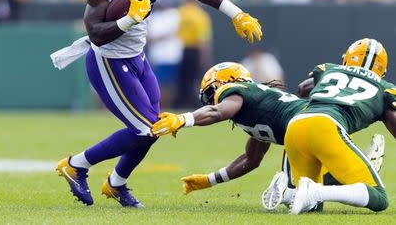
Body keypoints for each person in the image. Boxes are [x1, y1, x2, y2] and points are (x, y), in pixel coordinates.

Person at [55, 0, 262, 208]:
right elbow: (97, 33)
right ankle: (76, 164)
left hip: (137, 56)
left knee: (156, 126)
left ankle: (116, 183)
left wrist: (235, 12)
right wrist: (128, 20)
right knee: (146, 127)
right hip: (108, 59)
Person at [151, 61, 385, 210]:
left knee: (313, 198)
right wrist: (209, 180)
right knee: (310, 204)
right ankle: (291, 190)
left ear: (228, 82)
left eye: (213, 91)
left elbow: (218, 111)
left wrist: (184, 119)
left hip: (307, 128)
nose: (213, 98)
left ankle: (293, 190)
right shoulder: (259, 109)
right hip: (306, 133)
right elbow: (250, 160)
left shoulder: (237, 93)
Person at [282, 38, 396, 214]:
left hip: (296, 126)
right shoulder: (384, 88)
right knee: (379, 198)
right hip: (326, 126)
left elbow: (303, 89)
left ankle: (289, 189)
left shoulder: (329, 68)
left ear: (347, 57)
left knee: (310, 207)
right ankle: (314, 190)